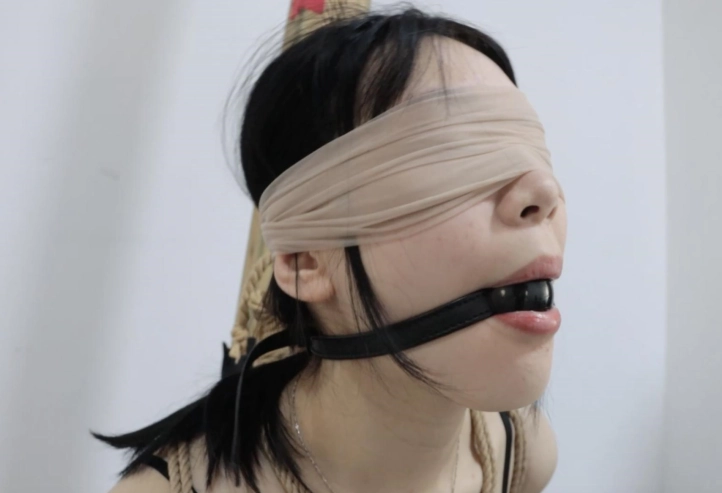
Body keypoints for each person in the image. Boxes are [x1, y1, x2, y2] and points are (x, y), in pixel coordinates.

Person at [98, 7, 567, 493]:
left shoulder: (522, 455)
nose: (545, 192)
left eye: (533, 151)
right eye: (454, 154)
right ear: (306, 261)